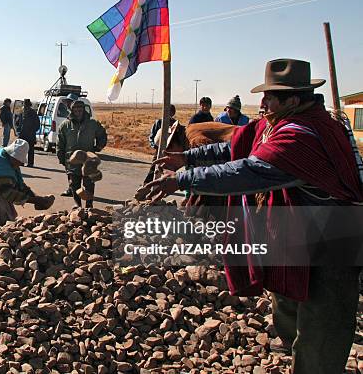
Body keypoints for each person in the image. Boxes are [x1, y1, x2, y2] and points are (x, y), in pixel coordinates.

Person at [144, 58, 363, 374]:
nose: (262, 103)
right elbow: (233, 146)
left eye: (270, 97)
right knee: (286, 304)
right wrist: (185, 158)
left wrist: (181, 179)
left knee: (321, 334)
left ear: (292, 100)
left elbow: (245, 171)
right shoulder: (274, 124)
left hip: (334, 242)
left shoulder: (304, 134)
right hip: (299, 235)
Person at [57, 100, 107, 208]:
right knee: (74, 184)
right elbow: (60, 144)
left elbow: (102, 134)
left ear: (84, 110)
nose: (78, 111)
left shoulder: (93, 124)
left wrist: (98, 147)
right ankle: (77, 206)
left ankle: (89, 206)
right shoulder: (65, 126)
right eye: (75, 109)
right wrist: (62, 159)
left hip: (88, 161)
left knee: (89, 184)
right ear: (72, 110)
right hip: (71, 161)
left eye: (80, 108)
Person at [144, 104, 187, 184]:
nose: (170, 113)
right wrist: (155, 146)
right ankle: (147, 185)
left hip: (170, 151)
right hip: (159, 150)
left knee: (168, 169)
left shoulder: (175, 124)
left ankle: (163, 185)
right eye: (168, 111)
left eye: (171, 112)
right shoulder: (159, 122)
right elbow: (152, 136)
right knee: (154, 167)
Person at [17, 99, 40, 167]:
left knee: (30, 150)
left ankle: (30, 163)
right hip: (23, 134)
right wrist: (18, 131)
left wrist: (32, 130)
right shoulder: (21, 112)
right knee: (22, 149)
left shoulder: (33, 113)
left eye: (26, 105)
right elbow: (18, 123)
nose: (25, 107)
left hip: (30, 135)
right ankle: (21, 162)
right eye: (25, 105)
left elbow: (37, 124)